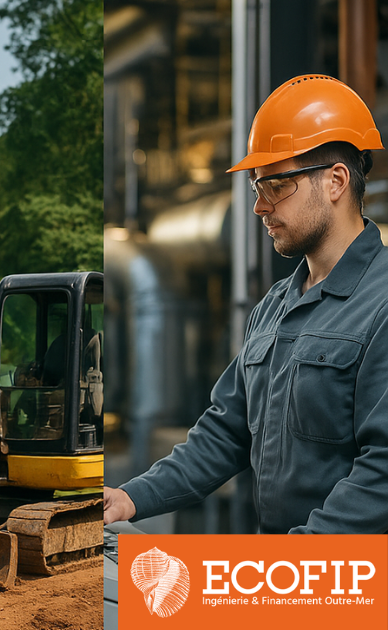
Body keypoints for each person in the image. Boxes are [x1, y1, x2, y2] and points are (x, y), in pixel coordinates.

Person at [104, 75, 388, 534]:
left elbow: (383, 475)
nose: (260, 207)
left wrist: (290, 571)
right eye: (257, 189)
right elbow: (226, 432)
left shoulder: (382, 305)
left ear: (336, 181)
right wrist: (131, 497)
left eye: (276, 186)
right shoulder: (276, 306)